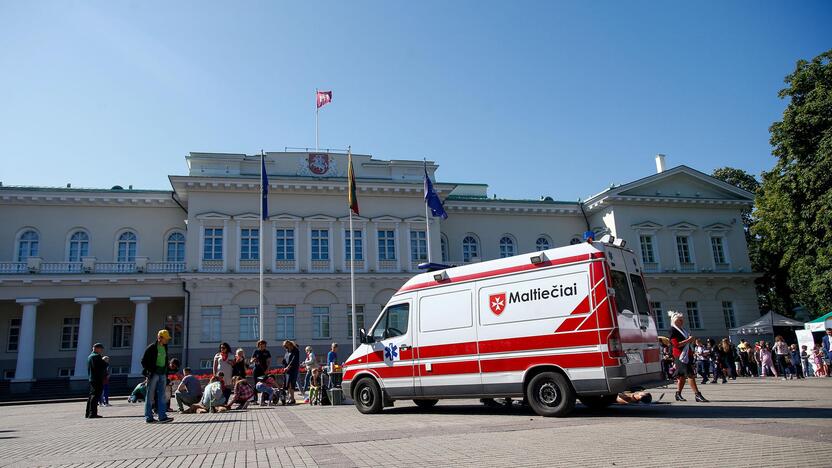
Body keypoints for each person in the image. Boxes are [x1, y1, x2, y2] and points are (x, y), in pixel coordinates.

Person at [668, 310, 707, 402]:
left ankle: (678, 394)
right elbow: (676, 345)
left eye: (682, 320)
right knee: (690, 374)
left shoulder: (683, 330)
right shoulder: (672, 330)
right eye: (680, 320)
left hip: (687, 354)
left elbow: (687, 343)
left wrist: (690, 341)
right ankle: (697, 394)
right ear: (675, 321)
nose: (682, 321)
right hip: (680, 355)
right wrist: (688, 340)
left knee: (682, 376)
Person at [140, 329, 173, 424]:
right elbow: (143, 361)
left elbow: (164, 360)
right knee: (150, 395)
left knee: (162, 396)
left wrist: (166, 370)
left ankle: (162, 416)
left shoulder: (165, 347)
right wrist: (150, 371)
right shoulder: (152, 348)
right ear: (160, 338)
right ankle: (148, 417)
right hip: (154, 373)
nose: (167, 340)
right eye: (165, 338)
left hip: (162, 373)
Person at [86, 343, 107, 419]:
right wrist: (105, 361)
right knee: (95, 396)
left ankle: (88, 413)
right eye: (101, 349)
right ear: (96, 348)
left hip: (92, 378)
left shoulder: (90, 356)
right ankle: (93, 413)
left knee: (91, 396)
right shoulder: (96, 356)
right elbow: (101, 367)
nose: (101, 350)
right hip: (97, 378)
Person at [282, 340, 300, 404]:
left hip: (293, 369)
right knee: (288, 385)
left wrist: (288, 367)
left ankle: (292, 399)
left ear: (289, 345)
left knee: (292, 384)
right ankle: (291, 398)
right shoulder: (287, 351)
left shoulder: (296, 351)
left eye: (286, 346)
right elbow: (285, 359)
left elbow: (293, 360)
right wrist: (283, 364)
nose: (285, 348)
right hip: (287, 370)